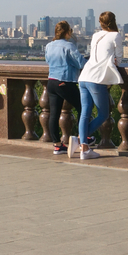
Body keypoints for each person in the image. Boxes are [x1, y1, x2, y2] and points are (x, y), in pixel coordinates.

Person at [72, 11, 123, 160]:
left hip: (84, 76)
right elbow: (118, 58)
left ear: (100, 23)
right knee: (103, 114)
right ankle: (80, 141)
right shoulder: (116, 36)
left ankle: (84, 149)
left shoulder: (95, 35)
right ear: (113, 21)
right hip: (96, 78)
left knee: (85, 113)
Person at [44, 21, 85, 155]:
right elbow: (80, 63)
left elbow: (48, 61)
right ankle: (82, 137)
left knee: (54, 114)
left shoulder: (49, 45)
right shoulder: (69, 46)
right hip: (65, 81)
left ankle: (57, 145)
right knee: (83, 108)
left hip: (51, 82)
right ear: (68, 32)